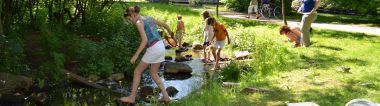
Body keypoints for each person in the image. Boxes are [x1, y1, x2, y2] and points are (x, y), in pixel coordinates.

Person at [120, 6, 172, 103]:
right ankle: (166, 97)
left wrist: (136, 55)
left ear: (133, 15)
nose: (130, 21)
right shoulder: (149, 18)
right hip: (160, 46)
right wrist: (171, 34)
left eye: (129, 18)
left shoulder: (139, 22)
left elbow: (145, 41)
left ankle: (132, 98)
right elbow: (164, 24)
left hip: (153, 48)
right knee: (153, 73)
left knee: (137, 71)